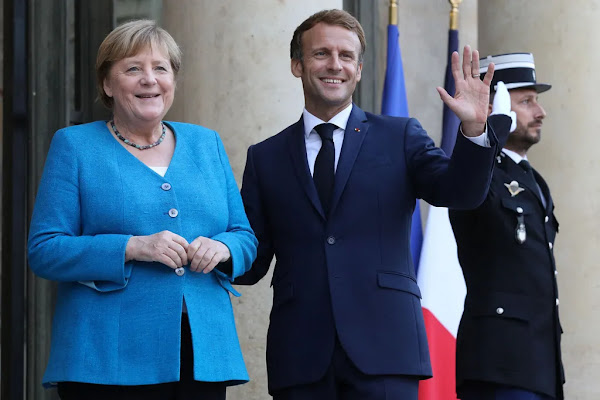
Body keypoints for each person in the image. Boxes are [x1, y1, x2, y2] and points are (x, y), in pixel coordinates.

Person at [234, 9, 511, 400]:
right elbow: (252, 258)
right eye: (321, 54)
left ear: (359, 70)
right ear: (297, 65)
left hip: (386, 350)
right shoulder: (266, 156)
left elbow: (460, 193)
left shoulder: (400, 136)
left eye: (346, 56)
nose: (335, 65)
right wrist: (208, 249)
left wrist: (473, 131)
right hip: (300, 357)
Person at [27, 20, 257, 400]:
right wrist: (133, 247)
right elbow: (45, 250)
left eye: (160, 68)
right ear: (107, 84)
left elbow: (244, 236)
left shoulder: (206, 143)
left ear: (173, 80)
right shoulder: (75, 146)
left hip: (200, 351)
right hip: (106, 355)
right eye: (133, 68)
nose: (149, 79)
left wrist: (225, 249)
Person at [450, 53, 564, 400]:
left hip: (539, 363)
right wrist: (490, 128)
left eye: (537, 101)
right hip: (498, 364)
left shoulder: (533, 180)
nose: (539, 112)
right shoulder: (479, 172)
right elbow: (466, 189)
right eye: (526, 101)